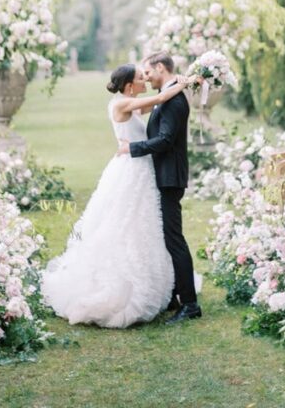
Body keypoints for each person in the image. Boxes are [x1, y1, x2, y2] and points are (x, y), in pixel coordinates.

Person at [41, 62, 193, 328]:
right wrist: (182, 83)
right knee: (123, 224)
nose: (144, 79)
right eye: (139, 78)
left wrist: (176, 85)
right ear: (128, 85)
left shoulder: (131, 102)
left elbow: (155, 106)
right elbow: (158, 99)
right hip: (130, 168)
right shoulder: (120, 104)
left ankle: (165, 288)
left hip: (142, 169)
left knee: (148, 228)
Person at [118, 51, 201, 324]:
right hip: (164, 175)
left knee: (174, 239)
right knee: (167, 238)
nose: (147, 76)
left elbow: (165, 140)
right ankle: (177, 293)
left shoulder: (174, 100)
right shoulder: (166, 95)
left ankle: (189, 304)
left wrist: (133, 148)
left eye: (149, 71)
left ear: (160, 68)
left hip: (169, 177)